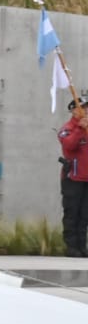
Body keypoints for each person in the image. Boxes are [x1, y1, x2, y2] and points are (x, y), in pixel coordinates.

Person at [58, 96, 88, 258]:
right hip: (73, 179)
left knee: (84, 215)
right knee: (72, 213)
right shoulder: (67, 128)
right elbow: (69, 145)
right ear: (74, 111)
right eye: (83, 107)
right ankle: (72, 247)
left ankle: (82, 246)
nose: (86, 110)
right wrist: (80, 129)